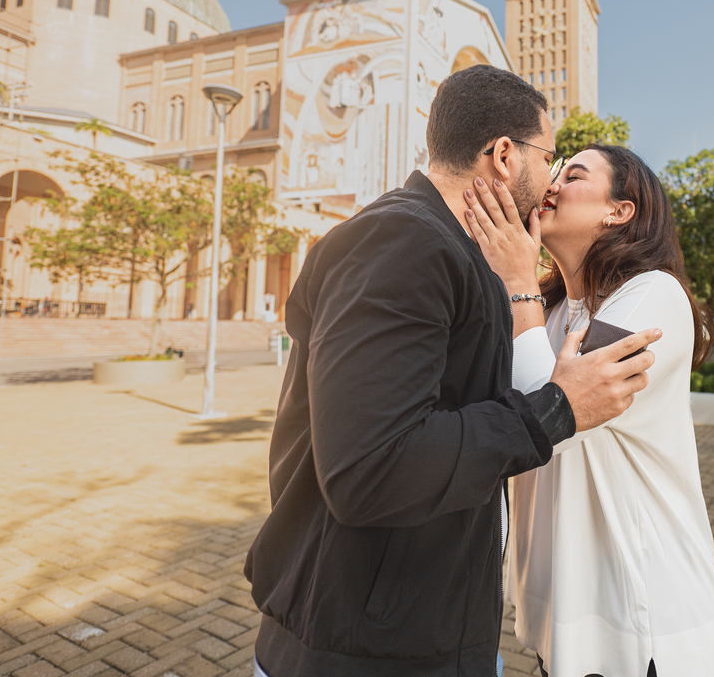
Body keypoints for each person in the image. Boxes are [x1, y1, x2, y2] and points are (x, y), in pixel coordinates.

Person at [243, 66, 661, 677]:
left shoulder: (450, 252)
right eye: (549, 157)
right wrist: (556, 409)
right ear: (502, 155)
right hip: (364, 652)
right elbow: (371, 467)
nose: (548, 180)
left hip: (416, 633)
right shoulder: (403, 242)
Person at [465, 144, 714, 677]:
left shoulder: (652, 295)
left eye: (575, 174)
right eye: (556, 170)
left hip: (646, 630)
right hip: (562, 626)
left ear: (620, 210)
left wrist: (518, 282)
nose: (552, 184)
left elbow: (551, 421)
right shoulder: (550, 311)